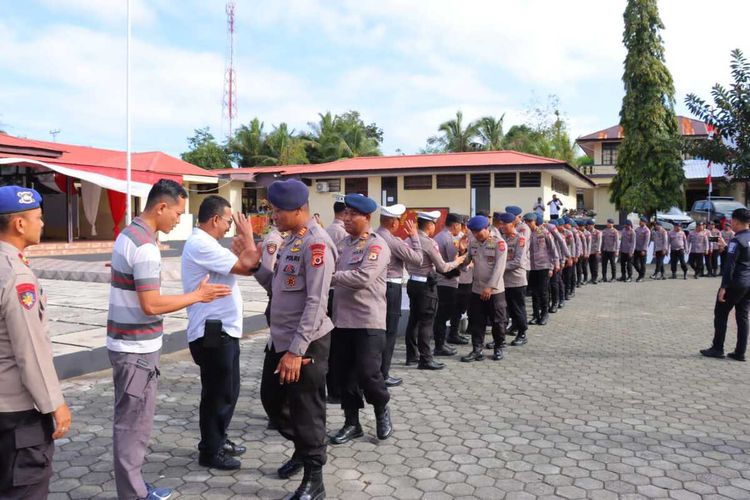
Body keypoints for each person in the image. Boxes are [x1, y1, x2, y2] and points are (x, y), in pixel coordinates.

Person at [107, 179, 232, 500]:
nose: (179, 220)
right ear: (161, 207)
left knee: (132, 421)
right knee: (133, 425)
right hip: (135, 350)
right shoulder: (145, 246)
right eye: (177, 212)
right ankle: (133, 493)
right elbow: (151, 304)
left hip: (127, 345)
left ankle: (133, 485)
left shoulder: (128, 234)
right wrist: (197, 296)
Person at [250, 179, 337, 498]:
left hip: (306, 343)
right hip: (280, 339)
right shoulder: (291, 240)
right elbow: (277, 285)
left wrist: (296, 352)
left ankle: (315, 479)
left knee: (306, 409)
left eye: (278, 210)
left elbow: (316, 303)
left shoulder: (317, 244)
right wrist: (254, 266)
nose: (273, 215)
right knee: (272, 401)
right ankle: (303, 448)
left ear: (300, 210)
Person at [0, 186, 72, 500]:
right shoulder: (17, 276)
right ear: (19, 224)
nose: (43, 224)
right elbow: (30, 348)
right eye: (38, 218)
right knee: (24, 488)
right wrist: (54, 403)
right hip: (17, 412)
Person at [181, 195, 261, 470]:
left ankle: (217, 439)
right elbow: (247, 265)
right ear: (215, 219)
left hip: (221, 330)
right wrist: (249, 238)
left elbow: (248, 267)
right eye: (228, 221)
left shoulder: (208, 244)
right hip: (213, 332)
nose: (230, 227)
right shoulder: (201, 244)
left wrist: (247, 250)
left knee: (227, 390)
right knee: (219, 393)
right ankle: (211, 451)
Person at [330, 194, 393, 445]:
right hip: (342, 320)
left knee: (369, 374)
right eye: (344, 214)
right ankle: (351, 423)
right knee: (344, 376)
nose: (346, 219)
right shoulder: (343, 245)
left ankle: (381, 409)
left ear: (366, 218)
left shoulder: (376, 246)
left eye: (351, 214)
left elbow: (363, 277)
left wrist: (333, 277)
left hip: (369, 320)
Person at [405, 211, 466, 370]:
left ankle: (411, 356)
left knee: (413, 321)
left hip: (412, 282)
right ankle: (425, 359)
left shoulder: (408, 239)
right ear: (430, 225)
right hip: (426, 285)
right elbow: (442, 267)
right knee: (426, 322)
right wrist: (457, 261)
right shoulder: (428, 242)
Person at [376, 204, 423, 388]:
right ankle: (383, 373)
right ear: (393, 222)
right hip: (391, 287)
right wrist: (414, 236)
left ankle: (375, 371)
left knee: (378, 330)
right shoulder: (392, 240)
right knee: (390, 331)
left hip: (377, 287)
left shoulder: (375, 235)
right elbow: (418, 259)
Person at [700, 208, 750, 362]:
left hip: (735, 283)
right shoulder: (744, 238)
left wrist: (723, 287)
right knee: (743, 316)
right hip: (748, 283)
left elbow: (730, 265)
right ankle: (740, 352)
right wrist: (727, 247)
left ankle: (717, 348)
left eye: (731, 221)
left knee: (721, 314)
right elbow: (743, 258)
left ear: (735, 221)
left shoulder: (737, 239)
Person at [460, 215, 508, 362]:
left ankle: (499, 347)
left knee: (497, 321)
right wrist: (462, 252)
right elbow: (466, 262)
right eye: (473, 232)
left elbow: (499, 268)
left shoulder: (499, 243)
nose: (476, 234)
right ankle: (477, 349)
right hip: (477, 289)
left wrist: (489, 287)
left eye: (478, 231)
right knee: (476, 320)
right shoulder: (473, 243)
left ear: (486, 229)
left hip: (495, 291)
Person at [324, 195, 348, 404]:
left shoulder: (327, 230)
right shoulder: (343, 233)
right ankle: (335, 389)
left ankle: (332, 387)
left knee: (331, 344)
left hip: (328, 289)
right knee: (338, 346)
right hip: (337, 289)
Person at [432, 213, 466, 357]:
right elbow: (456, 261)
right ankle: (439, 346)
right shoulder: (448, 239)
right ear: (455, 225)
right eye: (460, 225)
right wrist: (464, 253)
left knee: (441, 314)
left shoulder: (439, 236)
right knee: (443, 314)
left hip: (442, 280)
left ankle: (441, 343)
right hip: (447, 281)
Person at [498, 212, 529, 345]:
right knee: (504, 310)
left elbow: (518, 261)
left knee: (518, 308)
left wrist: (499, 267)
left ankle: (522, 333)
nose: (503, 226)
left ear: (512, 224)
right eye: (502, 224)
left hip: (516, 281)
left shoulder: (520, 239)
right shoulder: (501, 238)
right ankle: (500, 337)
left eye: (505, 224)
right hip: (503, 281)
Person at [525, 213, 558, 326]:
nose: (528, 223)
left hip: (544, 265)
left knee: (543, 291)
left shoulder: (544, 232)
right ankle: (535, 315)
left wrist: (554, 265)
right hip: (532, 266)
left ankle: (544, 314)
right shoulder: (527, 234)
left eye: (530, 221)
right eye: (526, 221)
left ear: (535, 221)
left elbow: (553, 249)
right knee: (534, 292)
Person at [634, 217, 651, 282]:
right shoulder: (637, 229)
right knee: (634, 263)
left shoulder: (647, 230)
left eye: (641, 221)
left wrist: (644, 250)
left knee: (642, 264)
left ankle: (641, 277)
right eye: (640, 221)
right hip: (636, 249)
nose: (640, 222)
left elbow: (647, 241)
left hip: (642, 250)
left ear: (645, 222)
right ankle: (641, 274)